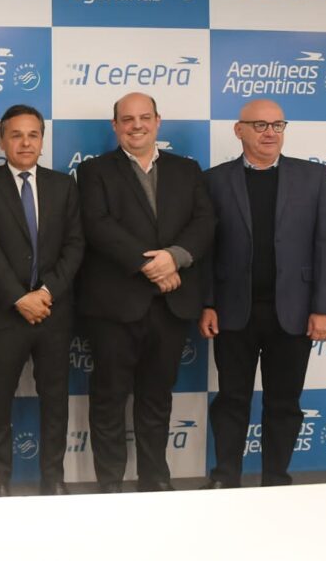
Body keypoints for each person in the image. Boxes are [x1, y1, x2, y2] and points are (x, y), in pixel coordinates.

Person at [199, 98, 326, 488]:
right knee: (231, 400)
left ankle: (276, 481)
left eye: (277, 125)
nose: (270, 133)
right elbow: (205, 249)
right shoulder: (214, 180)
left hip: (294, 312)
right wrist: (207, 303)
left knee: (284, 403)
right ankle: (225, 478)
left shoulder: (314, 177)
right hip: (233, 312)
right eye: (260, 125)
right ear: (239, 130)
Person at [76, 91, 214, 493]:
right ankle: (110, 486)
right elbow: (98, 225)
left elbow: (205, 221)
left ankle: (155, 482)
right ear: (115, 125)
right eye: (127, 119)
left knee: (157, 399)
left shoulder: (187, 170)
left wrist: (174, 257)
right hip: (114, 307)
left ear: (157, 121)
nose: (136, 125)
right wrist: (152, 266)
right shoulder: (94, 171)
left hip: (170, 307)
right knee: (108, 400)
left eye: (144, 117)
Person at [0, 104, 84, 497]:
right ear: (3, 141)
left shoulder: (63, 186)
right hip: (4, 312)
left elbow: (75, 245)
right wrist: (19, 297)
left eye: (33, 135)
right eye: (16, 135)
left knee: (54, 400)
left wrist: (45, 293)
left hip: (53, 312)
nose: (25, 142)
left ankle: (53, 478)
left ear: (42, 140)